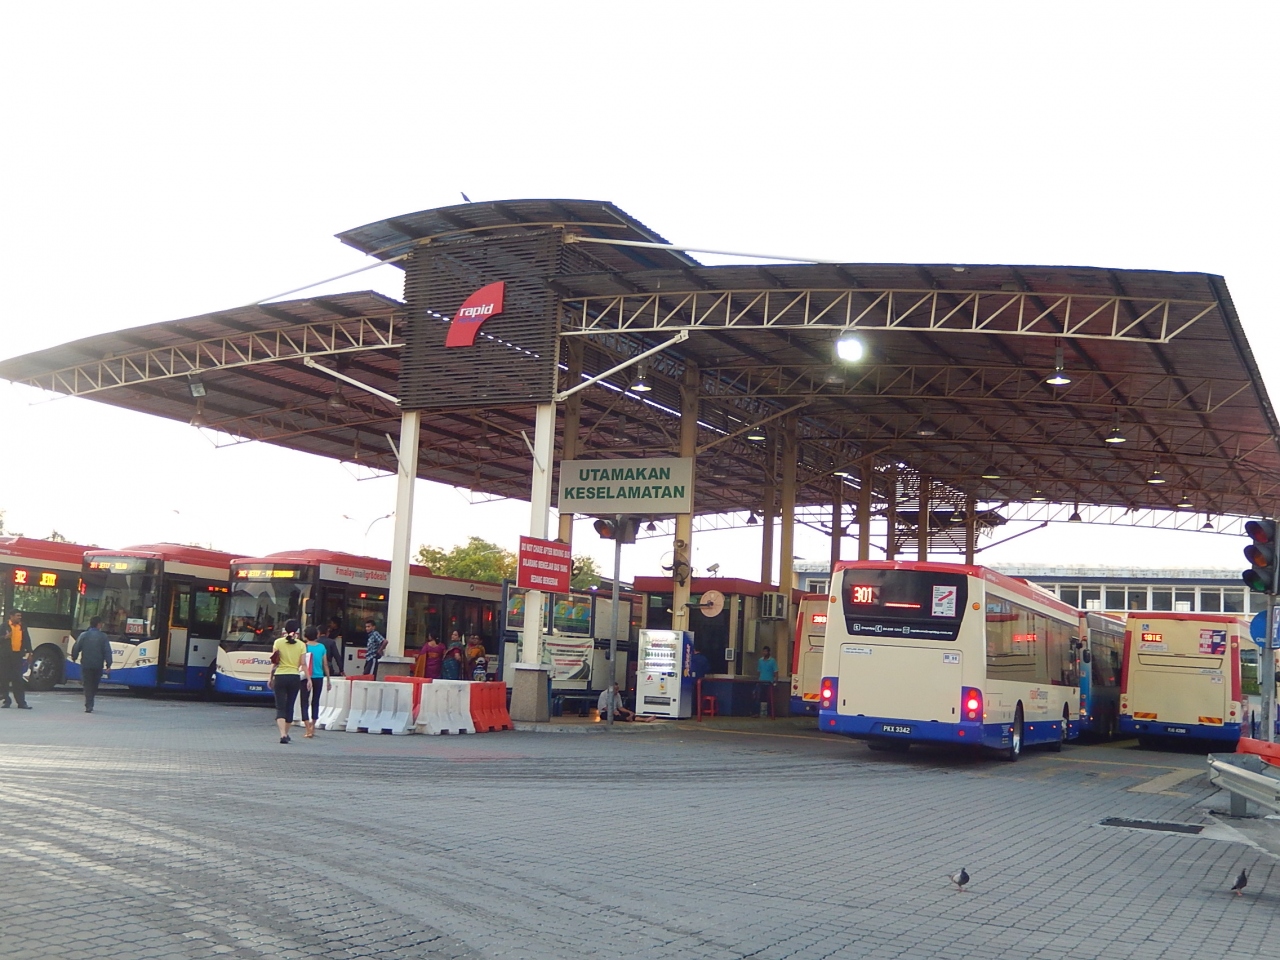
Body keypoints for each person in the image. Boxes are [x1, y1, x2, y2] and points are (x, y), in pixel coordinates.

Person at [268, 619, 307, 743]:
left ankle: (282, 734)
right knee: (290, 705)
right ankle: (286, 732)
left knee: (280, 707)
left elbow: (274, 662)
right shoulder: (301, 645)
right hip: (294, 677)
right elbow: (303, 663)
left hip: (280, 676)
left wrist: (270, 678)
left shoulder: (278, 642)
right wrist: (309, 679)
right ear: (297, 631)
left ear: (285, 629)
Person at [71, 616, 113, 713]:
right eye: (101, 623)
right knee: (94, 684)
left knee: (87, 684)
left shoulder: (83, 635)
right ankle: (90, 702)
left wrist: (74, 657)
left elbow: (76, 647)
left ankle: (88, 704)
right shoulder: (103, 637)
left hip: (86, 664)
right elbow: (107, 651)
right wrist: (108, 664)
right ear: (98, 624)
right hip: (98, 665)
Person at [299, 625, 330, 738]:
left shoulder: (303, 646)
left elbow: (301, 662)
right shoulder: (322, 647)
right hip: (319, 677)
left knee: (304, 701)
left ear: (305, 635)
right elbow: (325, 664)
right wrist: (328, 679)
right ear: (317, 635)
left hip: (305, 677)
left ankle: (307, 728)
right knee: (315, 701)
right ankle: (313, 726)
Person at [1, 611, 32, 709]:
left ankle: (21, 703)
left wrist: (30, 652)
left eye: (20, 616)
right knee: (4, 679)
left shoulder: (22, 626)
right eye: (17, 616)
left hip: (17, 656)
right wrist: (5, 637)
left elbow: (27, 639)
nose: (19, 617)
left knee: (18, 679)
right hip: (5, 657)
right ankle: (7, 700)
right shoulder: (4, 626)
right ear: (11, 616)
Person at [756, 645, 778, 718]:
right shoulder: (760, 660)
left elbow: (776, 672)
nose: (764, 653)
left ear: (769, 652)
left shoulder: (772, 661)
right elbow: (759, 671)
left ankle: (770, 713)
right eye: (763, 651)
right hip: (761, 681)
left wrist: (775, 681)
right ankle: (758, 713)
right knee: (759, 697)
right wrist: (758, 680)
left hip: (769, 682)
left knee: (769, 698)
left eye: (766, 651)